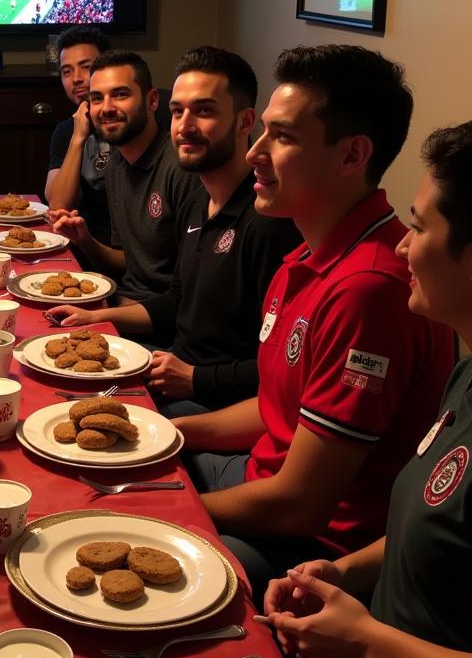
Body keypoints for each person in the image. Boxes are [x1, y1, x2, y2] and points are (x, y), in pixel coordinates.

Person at [176, 45, 453, 595]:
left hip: (311, 551)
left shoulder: (368, 290)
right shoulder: (305, 255)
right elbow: (279, 406)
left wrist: (180, 513)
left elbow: (299, 507)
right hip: (260, 478)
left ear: (352, 156)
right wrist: (170, 434)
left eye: (281, 137)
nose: (253, 152)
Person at [264, 122, 472, 658]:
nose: (404, 248)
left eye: (422, 227)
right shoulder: (468, 370)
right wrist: (340, 572)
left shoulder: (370, 289)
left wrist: (371, 645)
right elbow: (435, 531)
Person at [50, 47, 299, 413]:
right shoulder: (203, 202)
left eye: (204, 111)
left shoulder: (268, 223)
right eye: (178, 111)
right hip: (174, 370)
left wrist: (195, 378)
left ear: (245, 123)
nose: (185, 126)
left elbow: (283, 370)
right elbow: (178, 301)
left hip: (213, 401)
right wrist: (97, 315)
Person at [51, 50, 200, 325]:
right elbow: (128, 262)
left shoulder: (181, 170)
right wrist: (84, 239)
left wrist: (98, 317)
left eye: (120, 94)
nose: (106, 108)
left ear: (152, 100)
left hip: (163, 331)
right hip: (123, 304)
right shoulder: (117, 163)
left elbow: (188, 300)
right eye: (97, 98)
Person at [44, 25, 113, 246]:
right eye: (66, 71)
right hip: (85, 246)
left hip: (124, 252)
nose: (76, 79)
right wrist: (78, 137)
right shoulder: (67, 130)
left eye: (86, 67)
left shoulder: (124, 123)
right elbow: (57, 205)